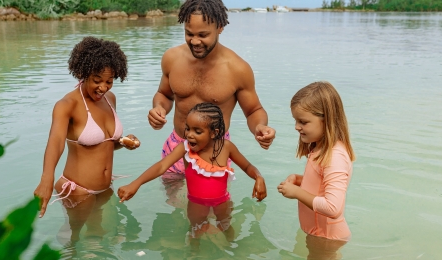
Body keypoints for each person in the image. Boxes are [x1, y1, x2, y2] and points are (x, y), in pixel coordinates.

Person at [148, 0, 276, 175]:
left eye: (203, 35)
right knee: (172, 201)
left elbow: (254, 110)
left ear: (220, 27)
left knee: (214, 201)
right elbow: (164, 94)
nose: (194, 41)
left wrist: (260, 127)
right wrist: (159, 108)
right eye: (189, 33)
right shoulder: (172, 58)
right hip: (177, 145)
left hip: (215, 151)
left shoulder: (237, 69)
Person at [118, 103, 266, 236]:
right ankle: (194, 258)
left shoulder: (226, 147)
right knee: (195, 233)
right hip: (196, 204)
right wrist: (136, 183)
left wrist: (258, 177)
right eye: (188, 129)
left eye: (197, 131)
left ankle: (232, 254)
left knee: (227, 229)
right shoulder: (185, 148)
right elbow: (162, 166)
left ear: (214, 132)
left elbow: (247, 166)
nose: (189, 134)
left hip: (222, 203)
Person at [34, 36, 140, 218]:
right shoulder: (67, 105)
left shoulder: (110, 99)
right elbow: (56, 142)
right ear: (83, 73)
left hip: (105, 188)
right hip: (78, 190)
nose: (103, 87)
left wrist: (123, 142)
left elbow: (106, 143)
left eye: (109, 81)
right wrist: (46, 179)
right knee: (75, 243)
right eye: (97, 80)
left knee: (107, 239)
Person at [277, 81, 355, 241]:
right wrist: (300, 181)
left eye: (303, 122)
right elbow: (320, 184)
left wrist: (297, 193)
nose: (296, 127)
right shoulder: (320, 148)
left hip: (326, 238)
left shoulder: (335, 156)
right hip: (320, 235)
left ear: (326, 121)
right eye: (296, 120)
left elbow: (333, 208)